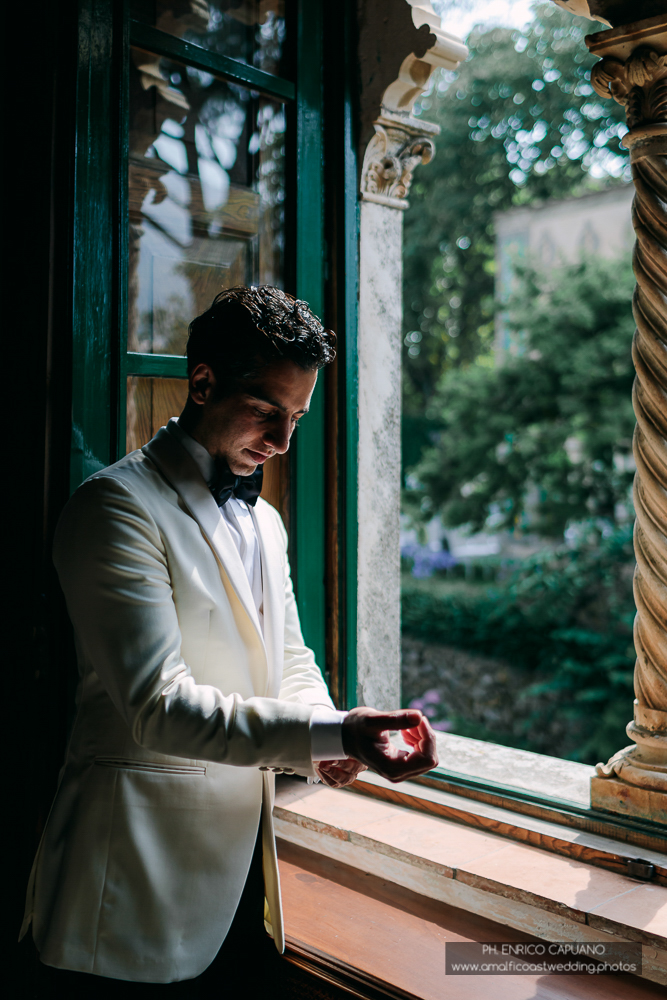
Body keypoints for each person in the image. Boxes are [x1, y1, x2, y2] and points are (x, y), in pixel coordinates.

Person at [21, 286, 438, 994]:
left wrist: (327, 745)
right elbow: (159, 709)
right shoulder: (115, 509)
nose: (280, 442)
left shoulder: (264, 521)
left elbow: (289, 660)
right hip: (124, 894)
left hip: (243, 887)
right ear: (203, 383)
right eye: (265, 411)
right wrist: (336, 730)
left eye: (297, 418)